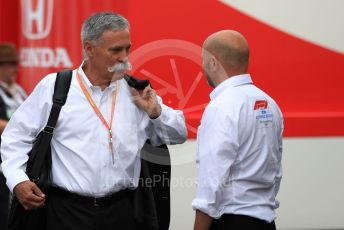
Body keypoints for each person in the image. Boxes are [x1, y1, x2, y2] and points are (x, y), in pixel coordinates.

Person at [1, 12, 187, 230]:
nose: (124, 57)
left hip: (123, 211)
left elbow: (178, 134)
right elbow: (15, 137)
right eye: (115, 50)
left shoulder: (136, 92)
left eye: (127, 48)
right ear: (89, 49)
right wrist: (18, 180)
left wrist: (156, 112)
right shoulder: (55, 86)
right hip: (66, 213)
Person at [192, 30, 283, 230]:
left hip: (230, 221)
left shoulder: (221, 107)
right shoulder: (269, 103)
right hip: (266, 222)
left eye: (204, 60)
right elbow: (275, 173)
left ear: (214, 63)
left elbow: (211, 181)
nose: (203, 66)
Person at [0, 42, 27, 230]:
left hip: (16, 158)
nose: (15, 69)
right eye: (10, 64)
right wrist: (20, 130)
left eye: (16, 64)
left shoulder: (18, 91)